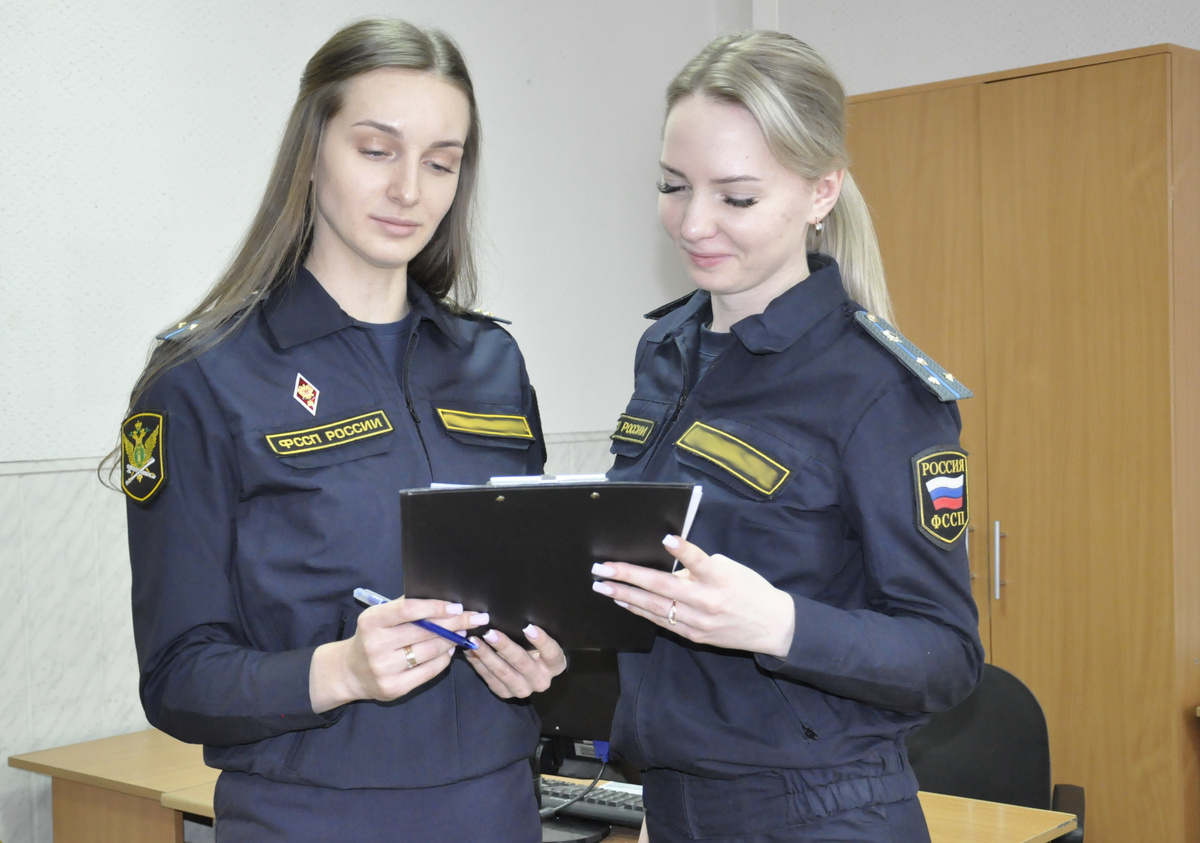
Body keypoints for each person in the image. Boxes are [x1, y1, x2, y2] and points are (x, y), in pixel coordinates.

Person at [110, 19, 565, 842]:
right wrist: (341, 670)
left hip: (497, 806)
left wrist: (549, 662)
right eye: (377, 150)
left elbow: (533, 593)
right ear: (312, 151)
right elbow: (177, 676)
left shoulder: (492, 361)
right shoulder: (204, 377)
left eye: (441, 162)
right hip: (311, 815)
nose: (409, 190)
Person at [590, 31, 984, 842]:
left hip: (820, 810)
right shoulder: (667, 348)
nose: (694, 222)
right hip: (674, 804)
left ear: (821, 191)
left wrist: (777, 622)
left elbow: (947, 655)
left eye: (736, 198)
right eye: (673, 186)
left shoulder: (878, 387)